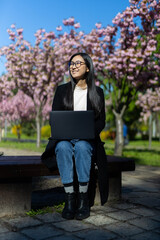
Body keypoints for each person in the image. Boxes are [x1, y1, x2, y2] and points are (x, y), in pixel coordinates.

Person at [41, 52, 108, 220]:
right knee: (62, 147)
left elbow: (101, 122)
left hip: (88, 140)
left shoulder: (97, 92)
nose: (74, 66)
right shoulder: (62, 90)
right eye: (71, 63)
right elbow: (55, 118)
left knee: (82, 146)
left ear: (87, 68)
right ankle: (70, 198)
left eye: (78, 63)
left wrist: (88, 133)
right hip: (64, 138)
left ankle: (83, 199)